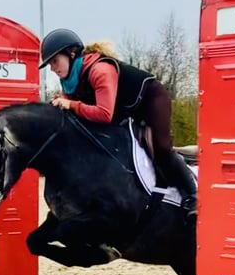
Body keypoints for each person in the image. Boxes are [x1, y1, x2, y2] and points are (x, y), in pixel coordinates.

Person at [39, 28, 197, 221]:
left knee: (160, 148)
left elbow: (104, 114)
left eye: (54, 61)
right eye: (49, 65)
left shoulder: (100, 70)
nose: (52, 68)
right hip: (126, 110)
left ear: (71, 53)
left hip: (151, 99)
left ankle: (193, 194)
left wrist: (71, 104)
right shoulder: (69, 82)